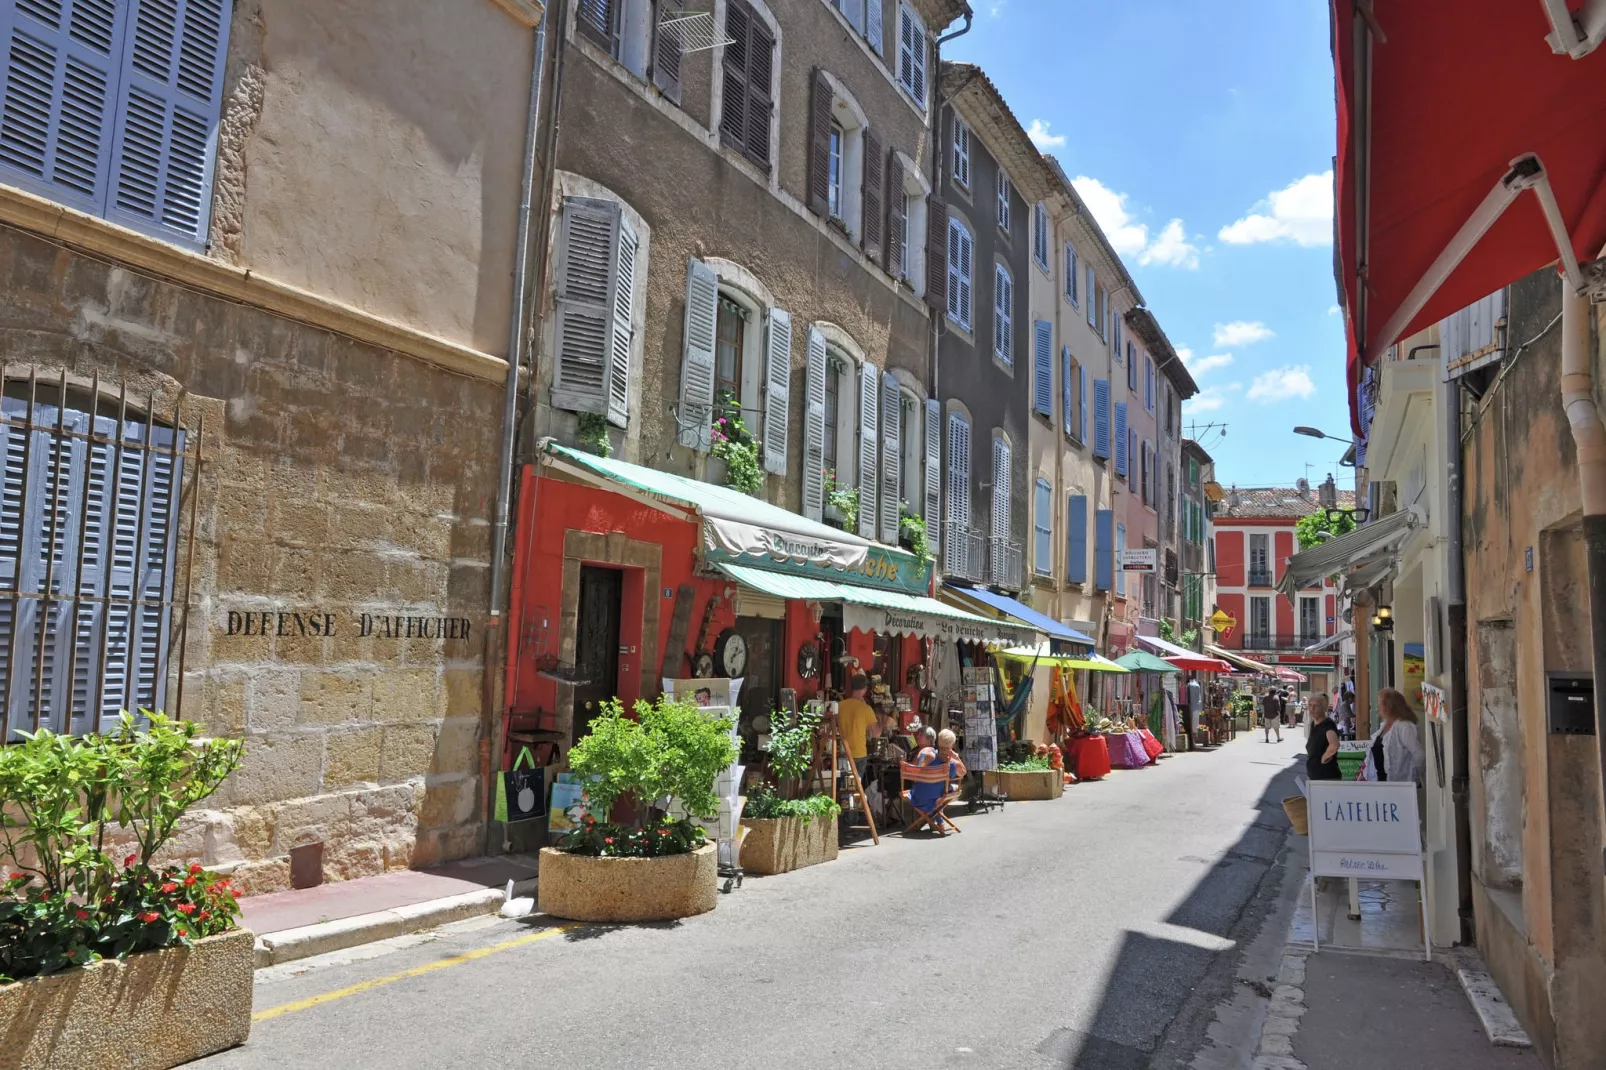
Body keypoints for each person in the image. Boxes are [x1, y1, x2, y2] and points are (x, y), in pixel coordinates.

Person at [1371, 687, 1426, 784]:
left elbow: (1419, 756)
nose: (1378, 707)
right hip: (1381, 782)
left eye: (1380, 704)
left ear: (1388, 707)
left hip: (1399, 785)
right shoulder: (1384, 726)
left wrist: (1411, 778)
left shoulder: (1404, 726)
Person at [836, 674, 879, 782]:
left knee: (842, 786)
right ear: (864, 689)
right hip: (859, 753)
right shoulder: (865, 708)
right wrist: (883, 722)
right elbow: (876, 733)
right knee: (856, 788)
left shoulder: (840, 705)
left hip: (842, 752)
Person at [1305, 693, 1342, 780]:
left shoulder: (1327, 725)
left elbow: (1334, 744)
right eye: (1310, 705)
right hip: (1315, 776)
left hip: (1326, 777)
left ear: (1324, 709)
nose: (1312, 708)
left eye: (1316, 706)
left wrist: (1324, 757)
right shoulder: (1314, 724)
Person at [1185, 674, 1204, 750]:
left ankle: (1192, 742)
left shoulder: (1190, 686)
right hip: (1195, 707)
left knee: (1191, 724)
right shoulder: (1196, 686)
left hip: (1189, 707)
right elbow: (1199, 698)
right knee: (1194, 725)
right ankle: (1193, 742)